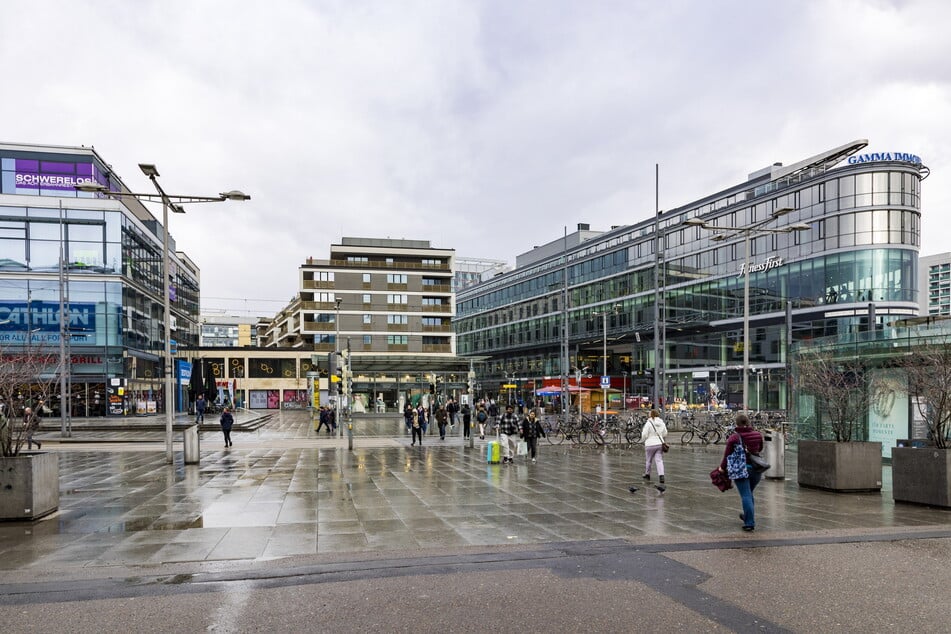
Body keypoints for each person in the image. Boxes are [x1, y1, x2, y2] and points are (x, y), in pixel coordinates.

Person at [718, 413, 764, 532]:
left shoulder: (734, 438)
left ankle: (749, 522)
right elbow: (760, 449)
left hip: (741, 469)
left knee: (746, 495)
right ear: (748, 422)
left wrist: (722, 468)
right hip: (756, 469)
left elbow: (727, 455)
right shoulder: (757, 435)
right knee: (748, 493)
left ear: (737, 424)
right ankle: (748, 516)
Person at [631, 409, 667, 493]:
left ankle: (647, 474)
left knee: (649, 460)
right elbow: (665, 433)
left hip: (650, 444)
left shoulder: (648, 423)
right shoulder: (662, 423)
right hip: (659, 444)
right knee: (659, 460)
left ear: (651, 415)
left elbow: (644, 434)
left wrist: (643, 439)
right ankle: (661, 475)